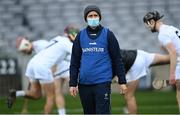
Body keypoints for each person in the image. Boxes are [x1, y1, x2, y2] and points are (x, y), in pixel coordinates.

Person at [7, 25, 79, 114]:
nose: (25, 52)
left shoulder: (57, 39)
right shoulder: (67, 43)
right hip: (43, 67)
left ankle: (16, 93)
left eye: (24, 51)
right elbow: (78, 53)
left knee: (36, 94)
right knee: (50, 97)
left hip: (33, 64)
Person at [69, 5, 127, 114]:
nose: (93, 18)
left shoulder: (108, 34)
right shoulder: (80, 36)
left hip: (102, 82)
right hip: (84, 84)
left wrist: (122, 81)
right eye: (90, 16)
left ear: (100, 17)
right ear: (85, 18)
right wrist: (73, 83)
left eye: (95, 15)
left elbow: (117, 60)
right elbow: (74, 62)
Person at [143, 11, 180, 112]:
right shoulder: (172, 28)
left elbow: (173, 53)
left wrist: (172, 74)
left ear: (151, 21)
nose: (147, 27)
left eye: (147, 24)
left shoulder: (162, 34)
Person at [116, 49, 170, 114]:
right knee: (170, 59)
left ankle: (130, 111)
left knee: (129, 96)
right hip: (140, 54)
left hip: (134, 63)